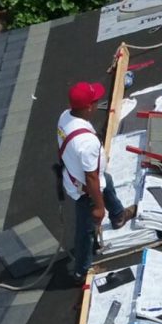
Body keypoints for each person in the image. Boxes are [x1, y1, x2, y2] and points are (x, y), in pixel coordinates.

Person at [57, 81, 136, 283]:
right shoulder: (87, 143)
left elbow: (97, 177)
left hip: (78, 177)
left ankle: (118, 215)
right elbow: (91, 178)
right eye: (94, 101)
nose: (97, 102)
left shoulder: (65, 117)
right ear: (88, 107)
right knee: (86, 232)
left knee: (106, 180)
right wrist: (99, 208)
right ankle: (81, 271)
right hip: (85, 190)